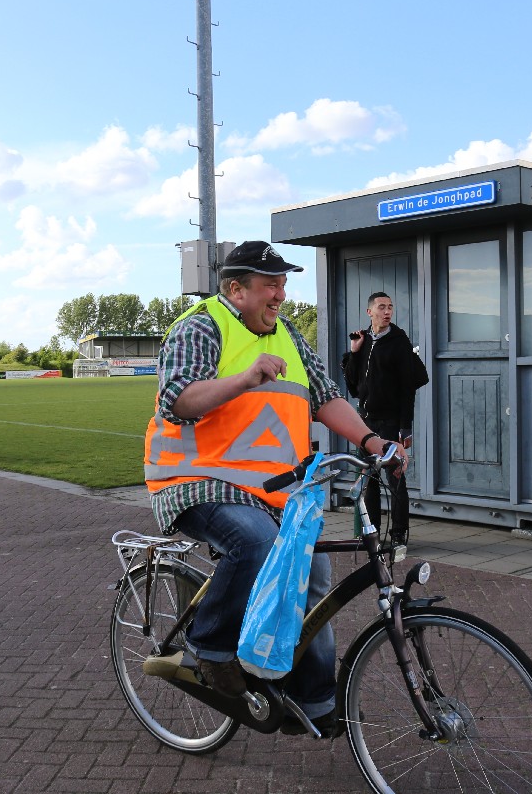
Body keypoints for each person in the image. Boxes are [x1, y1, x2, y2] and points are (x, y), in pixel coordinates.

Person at [144, 240, 397, 737]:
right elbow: (178, 400)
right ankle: (208, 648)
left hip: (272, 490)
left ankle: (315, 700)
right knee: (256, 543)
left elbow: (326, 398)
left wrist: (372, 441)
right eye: (270, 284)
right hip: (196, 480)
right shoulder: (201, 326)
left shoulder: (288, 337)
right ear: (237, 290)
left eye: (283, 284)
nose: (281, 294)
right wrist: (244, 378)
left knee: (313, 577)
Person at [341, 292, 421, 551]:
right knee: (369, 480)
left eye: (390, 307)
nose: (387, 312)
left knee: (395, 479)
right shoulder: (363, 340)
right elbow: (353, 386)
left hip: (390, 422)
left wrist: (405, 427)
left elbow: (408, 388)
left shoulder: (399, 341)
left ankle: (398, 535)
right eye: (382, 307)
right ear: (370, 312)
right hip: (365, 422)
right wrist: (354, 352)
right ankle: (372, 532)